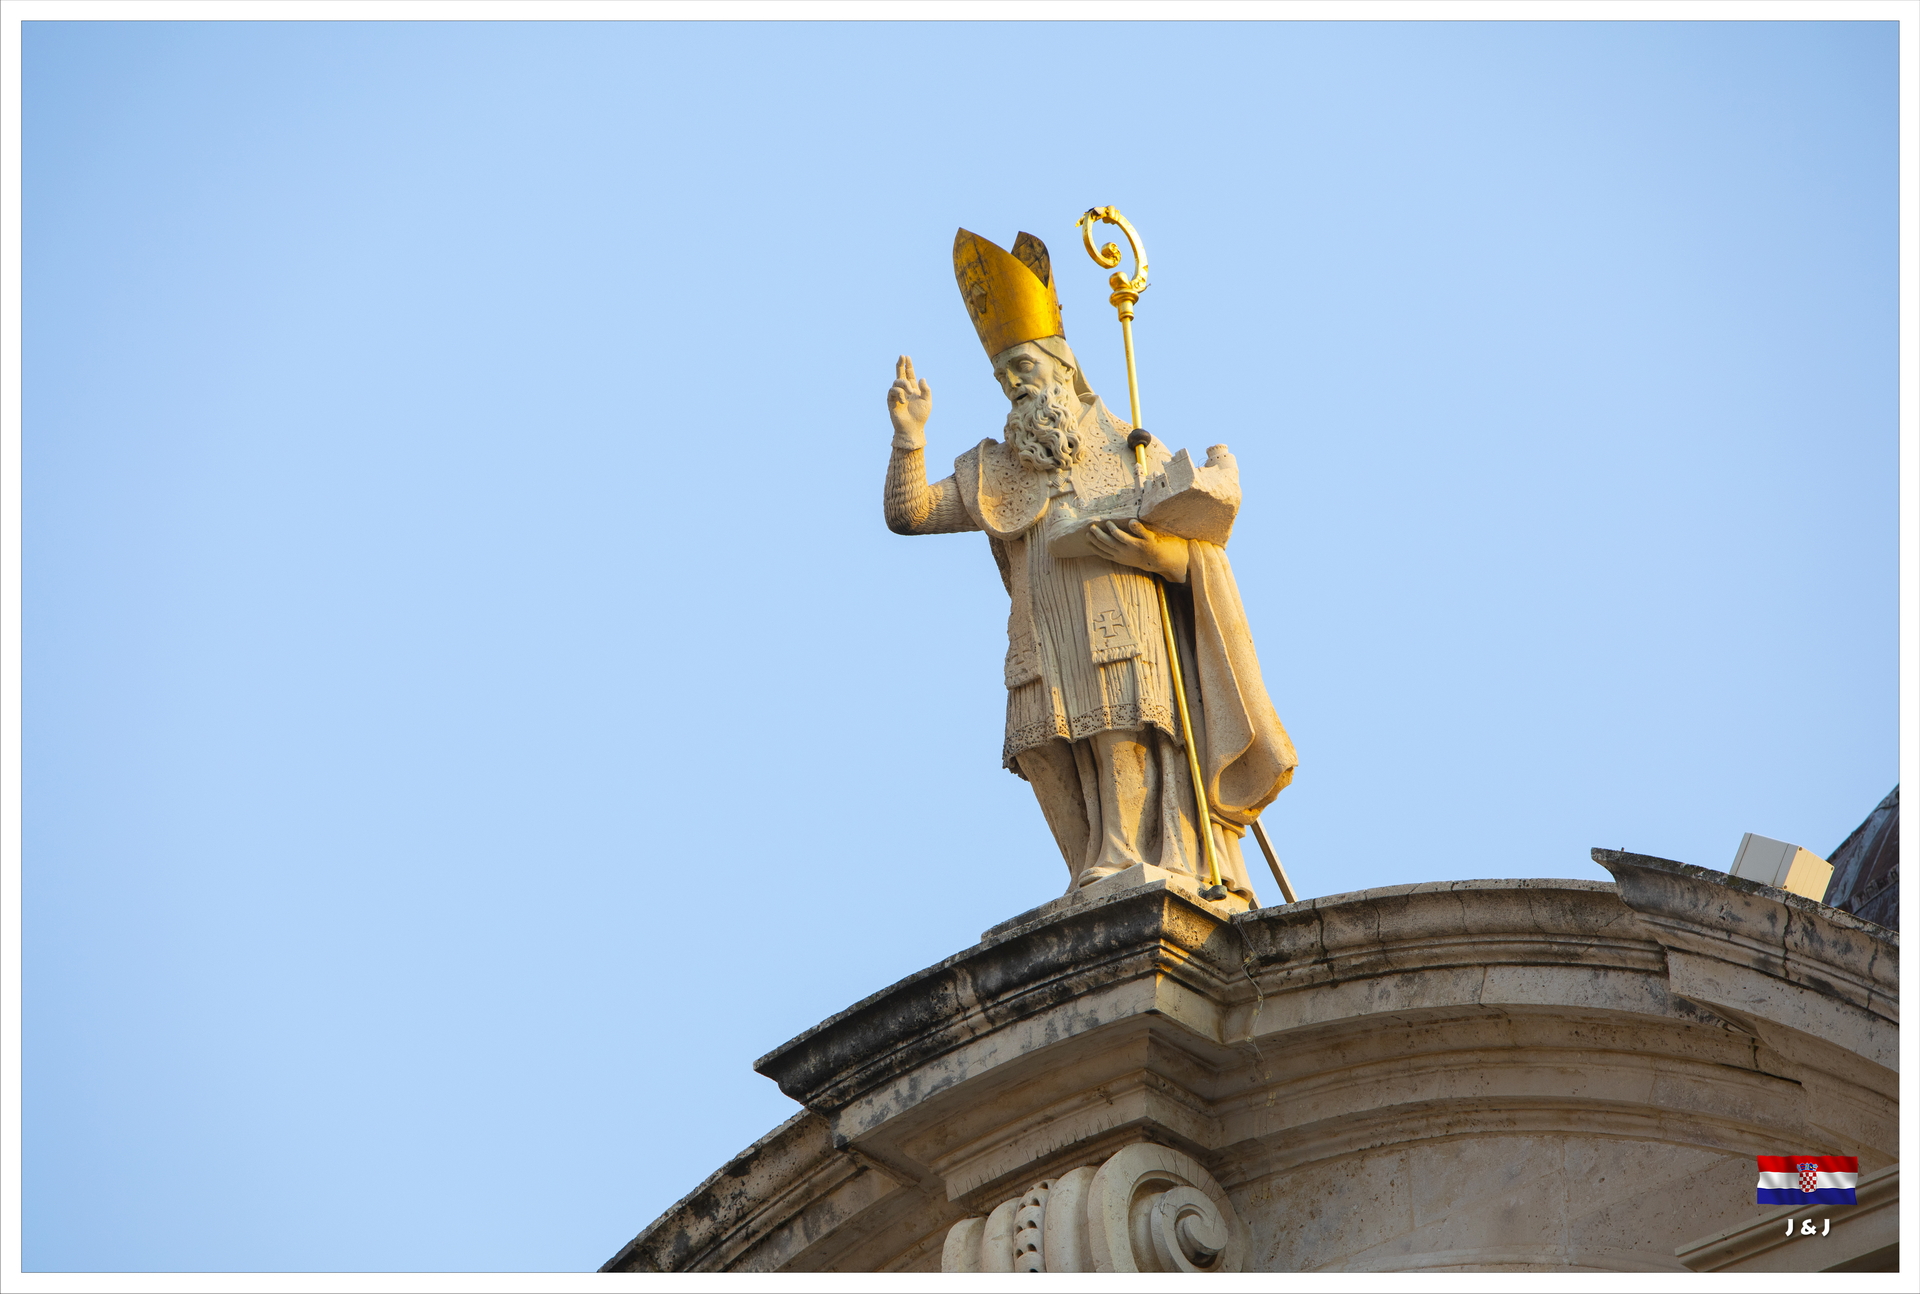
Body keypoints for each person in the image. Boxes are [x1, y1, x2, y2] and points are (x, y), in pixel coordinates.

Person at [883, 228, 1296, 899]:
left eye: (1024, 366)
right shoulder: (995, 467)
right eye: (1003, 375)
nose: (1014, 384)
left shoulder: (1131, 449)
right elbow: (912, 513)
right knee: (1044, 749)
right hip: (1040, 632)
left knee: (1117, 729)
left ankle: (1124, 856)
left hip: (1120, 618)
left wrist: (1157, 553)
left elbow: (1197, 545)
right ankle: (1086, 870)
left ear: (1063, 365)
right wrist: (911, 439)